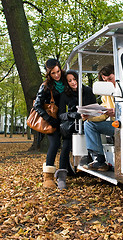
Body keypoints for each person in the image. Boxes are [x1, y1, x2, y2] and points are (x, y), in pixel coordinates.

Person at [57, 70, 96, 189]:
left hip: (89, 122)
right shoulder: (64, 94)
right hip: (73, 124)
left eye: (74, 79)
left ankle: (97, 165)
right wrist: (74, 115)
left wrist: (89, 114)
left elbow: (95, 106)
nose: (73, 82)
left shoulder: (88, 91)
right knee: (66, 145)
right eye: (70, 81)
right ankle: (61, 176)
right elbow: (61, 115)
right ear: (66, 82)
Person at [34, 58, 65, 188]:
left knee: (67, 145)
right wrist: (49, 119)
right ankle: (48, 177)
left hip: (64, 119)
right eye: (53, 73)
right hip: (51, 120)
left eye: (58, 71)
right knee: (55, 144)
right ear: (49, 74)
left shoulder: (65, 83)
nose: (56, 75)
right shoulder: (46, 85)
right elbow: (37, 105)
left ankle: (65, 173)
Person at [82, 64, 115, 171]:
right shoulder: (106, 94)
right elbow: (103, 114)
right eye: (105, 81)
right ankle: (99, 160)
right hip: (117, 126)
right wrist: (90, 116)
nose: (108, 83)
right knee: (88, 124)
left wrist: (117, 112)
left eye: (110, 79)